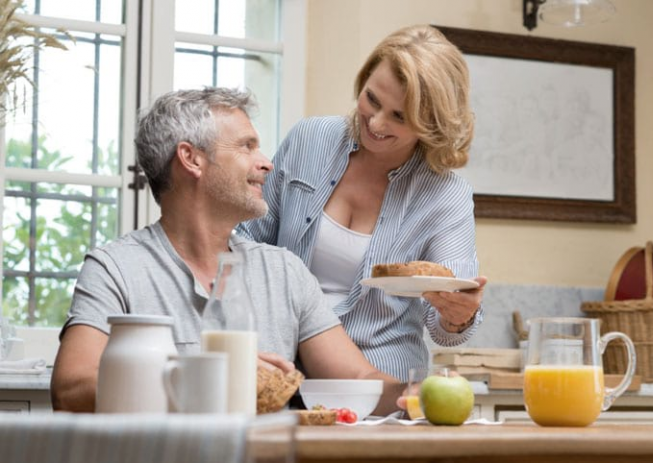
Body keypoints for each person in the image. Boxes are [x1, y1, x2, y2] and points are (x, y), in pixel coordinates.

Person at [50, 87, 401, 414]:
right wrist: (209, 378)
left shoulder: (284, 271)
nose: (267, 163)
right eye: (246, 146)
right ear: (191, 159)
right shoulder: (115, 268)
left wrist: (418, 392)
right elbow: (70, 389)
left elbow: (357, 379)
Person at [237, 25, 487, 381]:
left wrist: (458, 314)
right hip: (280, 370)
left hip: (382, 384)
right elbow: (248, 244)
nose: (376, 122)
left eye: (399, 117)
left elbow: (444, 330)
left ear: (430, 124)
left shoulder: (446, 195)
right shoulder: (310, 138)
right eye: (372, 99)